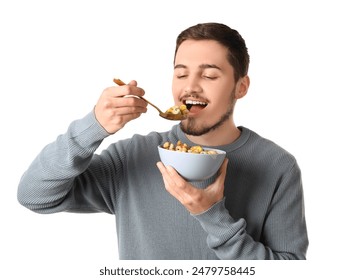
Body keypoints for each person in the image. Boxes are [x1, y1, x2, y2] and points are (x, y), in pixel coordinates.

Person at [17, 22, 308, 260]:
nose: (190, 86)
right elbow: (34, 195)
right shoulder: (133, 156)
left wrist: (212, 216)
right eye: (181, 73)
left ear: (241, 87)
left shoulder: (277, 165)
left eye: (209, 75)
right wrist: (94, 127)